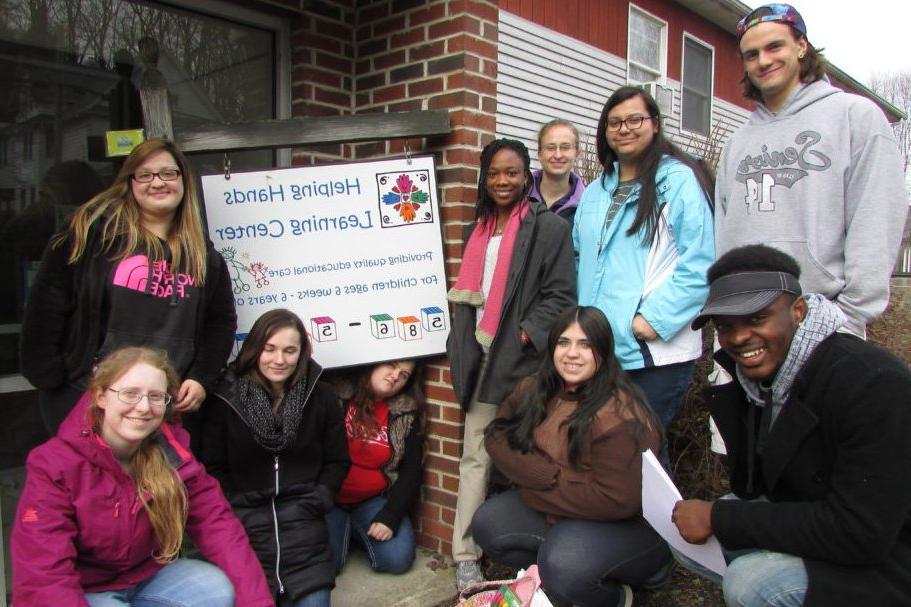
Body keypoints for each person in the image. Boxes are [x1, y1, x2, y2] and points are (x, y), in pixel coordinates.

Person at [672, 245, 911, 607]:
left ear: (798, 312)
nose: (738, 338)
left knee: (752, 583)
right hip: (824, 522)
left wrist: (722, 518)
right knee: (686, 539)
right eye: (725, 326)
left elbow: (861, 532)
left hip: (888, 557)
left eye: (756, 319)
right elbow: (754, 488)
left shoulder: (871, 382)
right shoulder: (757, 380)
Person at [11, 347, 273, 606]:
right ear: (101, 397)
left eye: (156, 396)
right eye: (130, 394)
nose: (144, 407)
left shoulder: (171, 452)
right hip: (83, 590)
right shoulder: (55, 464)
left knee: (215, 588)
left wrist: (258, 602)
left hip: (144, 578)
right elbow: (43, 571)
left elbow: (218, 526)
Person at [715, 3, 908, 338]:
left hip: (823, 322)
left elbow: (876, 220)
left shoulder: (855, 117)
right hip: (744, 325)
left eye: (775, 46)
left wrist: (847, 317)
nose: (763, 60)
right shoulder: (737, 142)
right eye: (752, 54)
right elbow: (723, 234)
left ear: (801, 46)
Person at [20, 138, 236, 434]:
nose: (157, 183)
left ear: (183, 181)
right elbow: (47, 305)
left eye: (168, 173)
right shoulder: (92, 236)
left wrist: (201, 378)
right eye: (145, 174)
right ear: (130, 182)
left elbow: (220, 323)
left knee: (158, 482)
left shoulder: (203, 256)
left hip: (164, 408)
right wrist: (51, 378)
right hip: (90, 401)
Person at [472, 306, 672, 607]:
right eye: (564, 342)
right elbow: (496, 434)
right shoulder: (537, 387)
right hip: (565, 506)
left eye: (586, 344)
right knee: (490, 523)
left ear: (603, 352)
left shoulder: (620, 414)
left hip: (626, 526)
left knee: (566, 563)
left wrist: (534, 490)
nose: (572, 353)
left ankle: (618, 596)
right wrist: (535, 473)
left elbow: (619, 500)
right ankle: (557, 580)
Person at [447, 138, 576, 591]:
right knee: (474, 455)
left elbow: (562, 296)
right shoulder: (476, 229)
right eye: (495, 173)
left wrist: (523, 332)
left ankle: (550, 553)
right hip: (480, 359)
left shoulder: (549, 230)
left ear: (528, 177)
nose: (503, 181)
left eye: (513, 173)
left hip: (523, 363)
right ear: (484, 177)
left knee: (539, 452)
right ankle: (465, 555)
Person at [574, 86, 715, 434]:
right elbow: (580, 257)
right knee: (607, 453)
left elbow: (702, 262)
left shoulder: (678, 181)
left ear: (654, 124)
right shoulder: (595, 190)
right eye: (615, 122)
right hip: (602, 348)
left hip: (653, 351)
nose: (624, 128)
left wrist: (652, 320)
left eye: (634, 119)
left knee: (644, 452)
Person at [202, 309, 349, 606]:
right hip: (247, 525)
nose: (279, 360)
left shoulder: (321, 397)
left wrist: (320, 497)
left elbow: (337, 461)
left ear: (302, 353)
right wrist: (234, 505)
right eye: (270, 349)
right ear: (255, 348)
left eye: (289, 350)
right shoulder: (225, 398)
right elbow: (212, 466)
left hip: (305, 526)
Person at [325, 360, 425, 574]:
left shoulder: (404, 413)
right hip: (329, 499)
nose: (396, 375)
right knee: (324, 565)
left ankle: (355, 529)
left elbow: (411, 471)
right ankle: (345, 530)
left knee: (397, 558)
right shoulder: (335, 396)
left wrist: (391, 515)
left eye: (404, 374)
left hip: (373, 500)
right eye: (391, 365)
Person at [528, 119, 586, 224]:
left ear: (577, 153)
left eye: (565, 147)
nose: (558, 155)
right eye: (550, 148)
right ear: (540, 154)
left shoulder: (588, 206)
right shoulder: (519, 196)